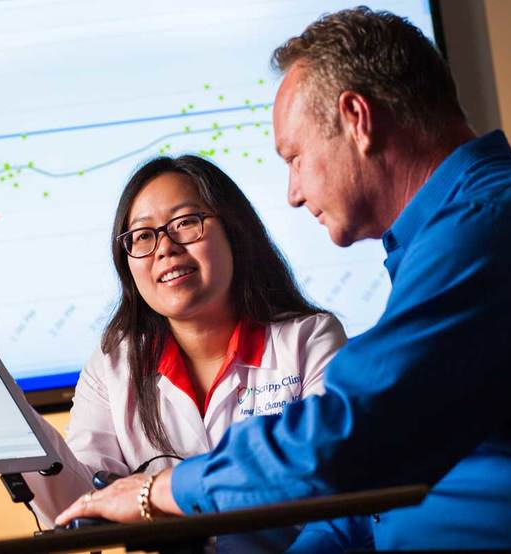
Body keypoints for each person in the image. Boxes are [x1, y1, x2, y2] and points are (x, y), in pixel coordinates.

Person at [55, 7, 511, 550]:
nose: (294, 192)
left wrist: (158, 490)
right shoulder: (458, 232)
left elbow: (346, 438)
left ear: (357, 119)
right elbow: (369, 487)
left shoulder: (487, 233)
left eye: (296, 157)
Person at [24, 154, 347, 547]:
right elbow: (83, 505)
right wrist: (22, 431)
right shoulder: (113, 364)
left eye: (185, 223)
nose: (165, 248)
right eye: (143, 236)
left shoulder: (307, 339)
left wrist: (156, 494)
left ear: (235, 231)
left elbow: (327, 480)